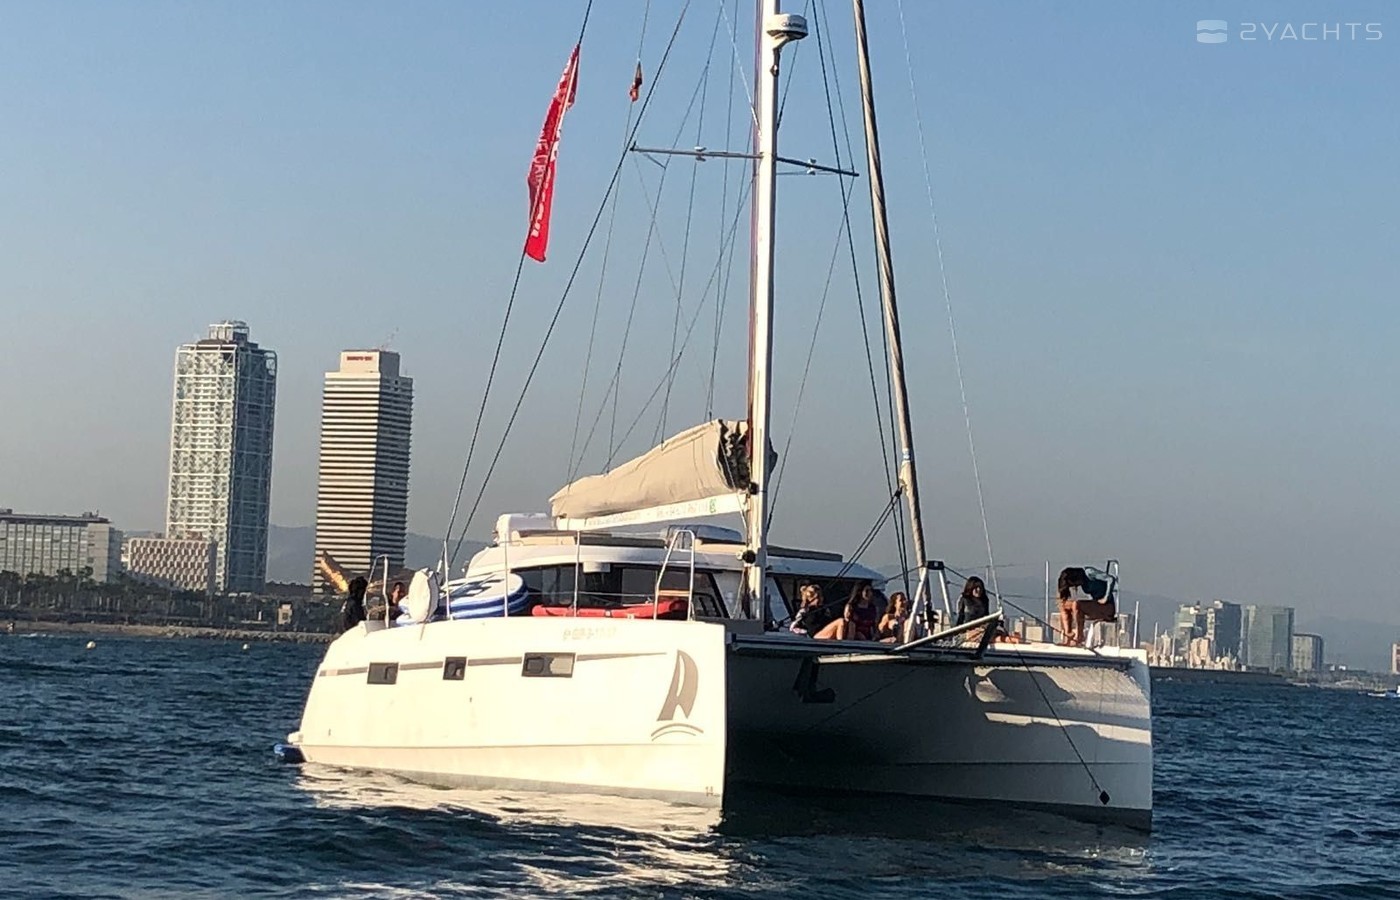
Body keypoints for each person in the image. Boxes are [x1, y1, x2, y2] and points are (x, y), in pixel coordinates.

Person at [815, 583, 880, 641]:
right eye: (867, 591)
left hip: (868, 637)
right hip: (854, 635)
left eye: (871, 591)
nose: (869, 593)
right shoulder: (851, 607)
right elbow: (849, 625)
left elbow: (875, 625)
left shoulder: (873, 608)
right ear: (859, 592)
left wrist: (875, 637)